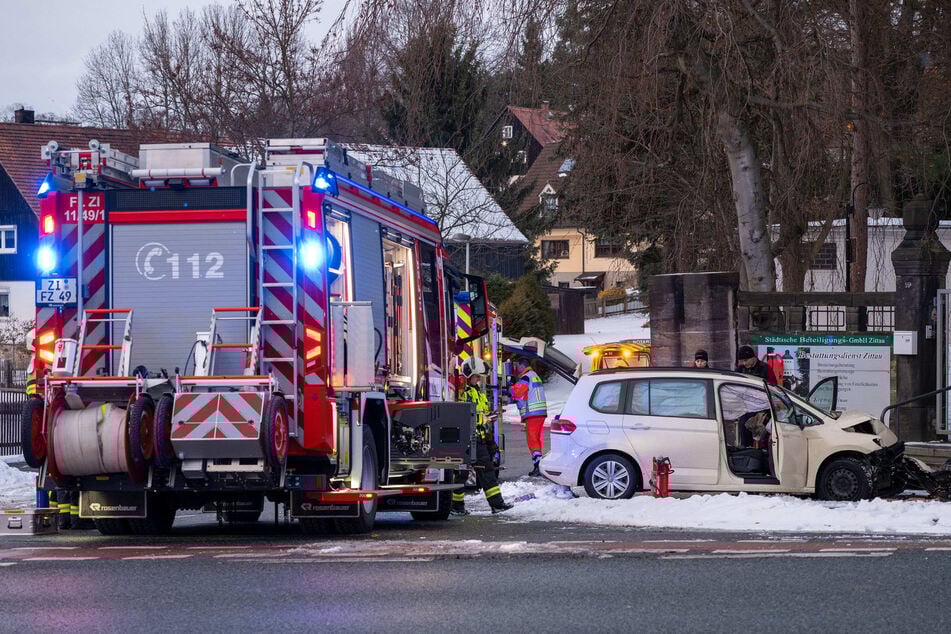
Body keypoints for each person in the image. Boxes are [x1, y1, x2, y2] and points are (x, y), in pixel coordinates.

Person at [451, 359, 513, 515]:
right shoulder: (463, 393)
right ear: (468, 374)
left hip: (478, 438)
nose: (479, 379)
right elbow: (463, 416)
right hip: (466, 438)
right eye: (476, 376)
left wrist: (490, 417)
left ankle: (493, 504)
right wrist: (485, 418)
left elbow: (479, 412)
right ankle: (460, 506)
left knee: (482, 471)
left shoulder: (477, 391)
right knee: (466, 473)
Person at [510, 357, 547, 477]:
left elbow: (518, 392)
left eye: (517, 366)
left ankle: (538, 466)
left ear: (522, 366)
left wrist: (509, 389)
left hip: (533, 413)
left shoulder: (526, 377)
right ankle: (539, 465)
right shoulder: (534, 375)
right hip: (539, 412)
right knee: (536, 439)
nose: (515, 369)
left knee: (532, 441)